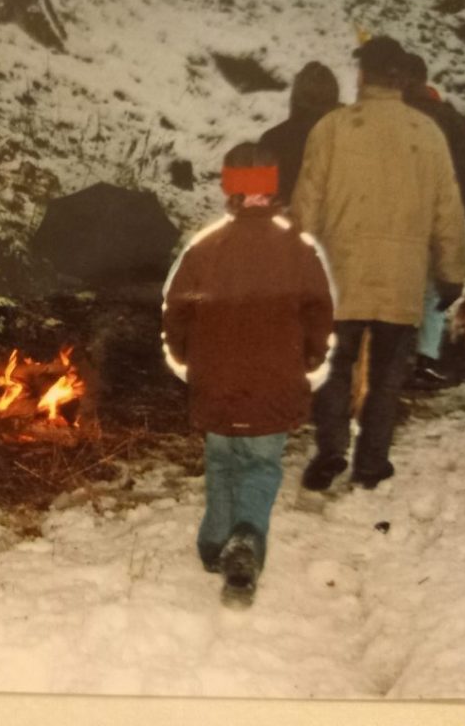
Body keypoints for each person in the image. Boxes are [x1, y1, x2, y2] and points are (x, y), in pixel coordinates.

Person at [292, 35, 465, 492]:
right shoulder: (426, 133)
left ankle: (332, 449)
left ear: (362, 75)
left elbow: (307, 202)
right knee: (388, 376)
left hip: (340, 272)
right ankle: (371, 462)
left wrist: (297, 262)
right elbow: (447, 211)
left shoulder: (332, 128)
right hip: (402, 276)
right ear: (401, 77)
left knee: (335, 367)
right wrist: (451, 274)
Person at [162, 141, 334, 606]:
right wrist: (311, 358)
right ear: (273, 190)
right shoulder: (298, 250)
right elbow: (319, 313)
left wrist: (185, 357)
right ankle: (246, 540)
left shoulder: (205, 249)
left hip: (216, 384)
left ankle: (214, 543)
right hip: (274, 384)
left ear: (230, 190)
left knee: (221, 460)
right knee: (260, 465)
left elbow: (177, 311)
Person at [399, 51, 465, 387]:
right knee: (433, 289)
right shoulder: (447, 116)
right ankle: (426, 358)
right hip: (437, 214)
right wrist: (459, 210)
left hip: (395, 214)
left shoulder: (392, 116)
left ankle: (393, 359)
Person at [259, 61, 341, 205]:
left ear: (295, 99)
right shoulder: (347, 139)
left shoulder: (271, 140)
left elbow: (257, 199)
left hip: (286, 217)